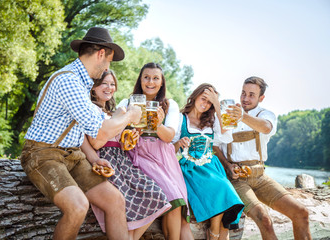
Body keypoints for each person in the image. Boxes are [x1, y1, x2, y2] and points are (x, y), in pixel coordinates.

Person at [20, 27, 142, 240]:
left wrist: (94, 158)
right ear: (101, 54)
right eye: (109, 62)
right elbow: (101, 131)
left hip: (73, 156)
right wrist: (130, 115)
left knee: (115, 200)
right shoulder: (68, 81)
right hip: (42, 154)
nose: (107, 67)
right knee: (78, 206)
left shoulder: (82, 84)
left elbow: (86, 131)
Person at [214, 76, 312, 240]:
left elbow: (266, 128)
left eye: (251, 95)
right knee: (264, 218)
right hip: (237, 179)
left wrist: (242, 116)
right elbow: (215, 144)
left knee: (301, 212)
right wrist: (226, 165)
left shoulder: (266, 115)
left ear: (261, 98)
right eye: (243, 93)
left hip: (260, 177)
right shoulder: (226, 114)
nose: (245, 98)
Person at [81, 70, 172, 240]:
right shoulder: (89, 109)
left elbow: (120, 139)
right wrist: (120, 117)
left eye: (112, 84)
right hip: (104, 159)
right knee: (125, 202)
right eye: (104, 83)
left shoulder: (113, 111)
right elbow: (96, 142)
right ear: (93, 87)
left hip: (122, 160)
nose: (109, 88)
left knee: (156, 194)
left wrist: (128, 139)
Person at [117, 63, 189, 240]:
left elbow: (169, 136)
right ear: (140, 80)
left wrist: (157, 124)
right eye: (146, 77)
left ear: (162, 82)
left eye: (156, 78)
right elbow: (116, 133)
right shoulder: (127, 103)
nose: (150, 82)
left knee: (177, 202)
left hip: (164, 158)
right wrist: (130, 132)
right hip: (138, 155)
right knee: (170, 196)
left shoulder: (168, 104)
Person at [173, 83, 244, 240]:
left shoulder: (212, 120)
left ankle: (217, 229)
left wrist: (218, 105)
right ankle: (216, 231)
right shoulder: (180, 119)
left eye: (210, 102)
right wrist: (179, 143)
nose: (205, 104)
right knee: (220, 187)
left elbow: (226, 135)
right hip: (190, 167)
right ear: (195, 96)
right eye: (203, 98)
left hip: (212, 165)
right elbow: (169, 149)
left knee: (225, 188)